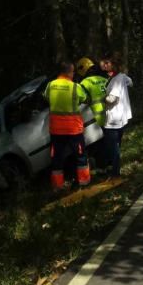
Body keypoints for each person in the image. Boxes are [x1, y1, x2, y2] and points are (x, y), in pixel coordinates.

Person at [43, 61, 91, 190]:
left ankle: (57, 186)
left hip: (56, 130)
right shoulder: (75, 87)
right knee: (80, 156)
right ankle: (84, 183)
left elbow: (46, 98)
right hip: (74, 129)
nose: (74, 74)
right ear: (69, 72)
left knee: (57, 158)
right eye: (73, 71)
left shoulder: (50, 85)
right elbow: (85, 99)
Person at [101, 54, 132, 178]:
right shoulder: (122, 77)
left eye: (108, 63)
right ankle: (115, 170)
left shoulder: (116, 80)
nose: (105, 65)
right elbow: (131, 82)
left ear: (114, 65)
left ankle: (115, 172)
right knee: (116, 144)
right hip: (121, 116)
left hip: (114, 118)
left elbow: (112, 98)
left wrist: (102, 98)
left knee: (113, 147)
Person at [75, 57, 109, 128]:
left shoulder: (84, 83)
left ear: (82, 70)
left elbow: (78, 100)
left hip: (97, 122)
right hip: (110, 118)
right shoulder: (105, 79)